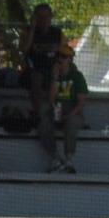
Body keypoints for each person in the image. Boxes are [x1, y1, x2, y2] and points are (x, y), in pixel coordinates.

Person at [41, 43, 87, 174]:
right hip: (56, 109)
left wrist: (69, 114)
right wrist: (55, 78)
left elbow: (81, 103)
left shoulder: (77, 76)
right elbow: (51, 100)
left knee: (72, 123)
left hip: (73, 111)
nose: (60, 59)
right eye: (59, 56)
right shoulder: (54, 75)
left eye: (64, 56)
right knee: (43, 124)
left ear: (70, 59)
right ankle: (55, 158)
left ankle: (69, 160)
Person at [20, 3, 63, 120]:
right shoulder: (28, 32)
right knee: (36, 78)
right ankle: (39, 116)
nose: (44, 20)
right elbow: (24, 50)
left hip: (53, 69)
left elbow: (66, 52)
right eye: (40, 17)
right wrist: (32, 29)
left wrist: (58, 64)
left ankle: (57, 116)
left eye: (46, 17)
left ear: (51, 17)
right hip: (34, 69)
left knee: (62, 81)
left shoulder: (57, 33)